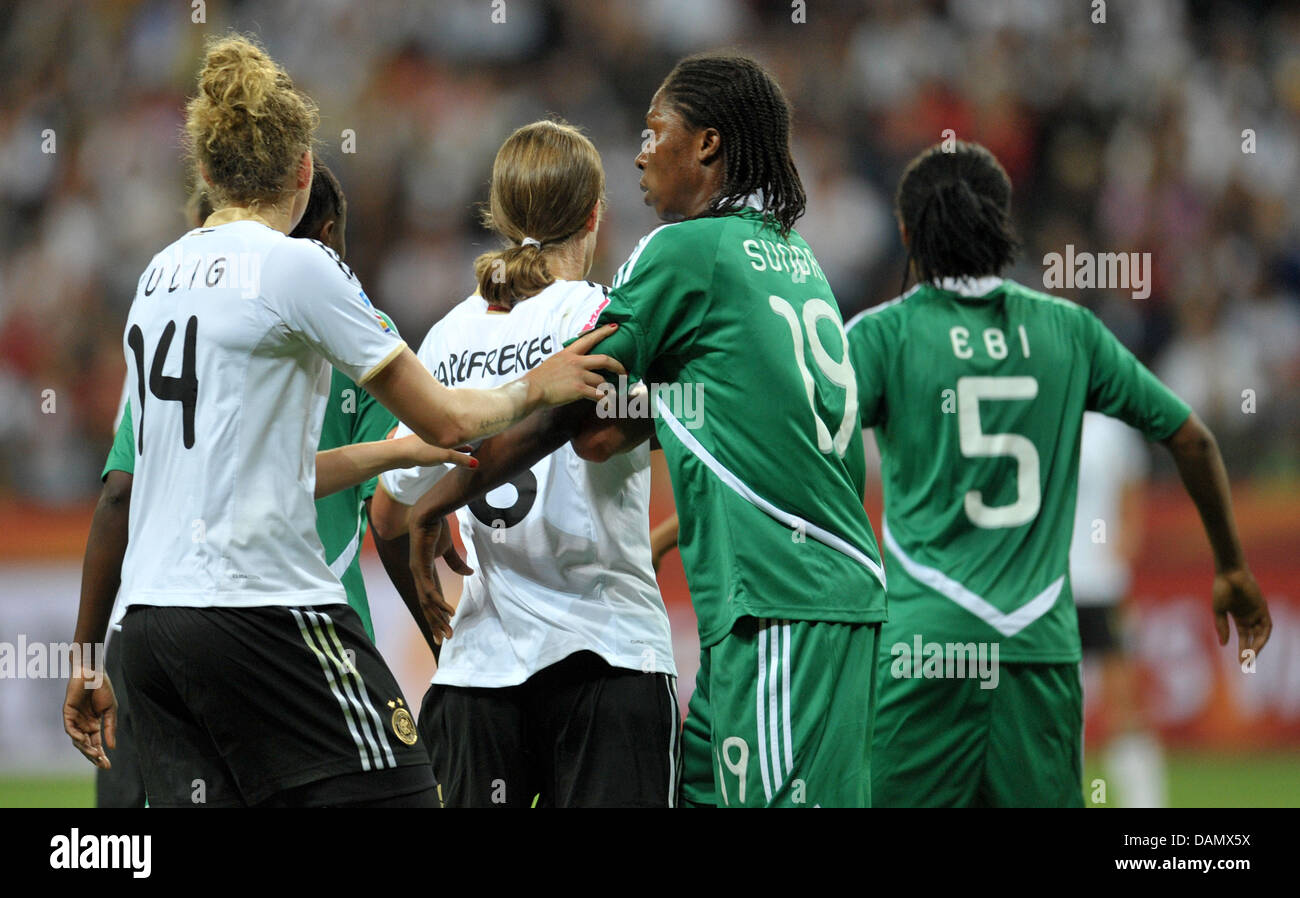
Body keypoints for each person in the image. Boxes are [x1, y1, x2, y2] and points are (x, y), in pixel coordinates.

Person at [62, 33, 621, 808]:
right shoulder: (296, 265)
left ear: (207, 171)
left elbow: (202, 478)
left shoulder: (159, 275)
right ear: (301, 172)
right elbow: (454, 415)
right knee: (406, 797)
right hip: (259, 608)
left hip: (152, 630)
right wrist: (538, 384)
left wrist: (86, 660)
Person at [404, 53, 888, 808]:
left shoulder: (683, 250)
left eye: (653, 131)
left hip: (783, 602)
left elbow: (581, 410)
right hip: (778, 596)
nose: (638, 152)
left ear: (706, 145)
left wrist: (441, 498)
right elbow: (628, 431)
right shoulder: (794, 257)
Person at [845, 139, 1272, 807]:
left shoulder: (879, 336)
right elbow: (1191, 439)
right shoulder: (1070, 331)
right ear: (1002, 221)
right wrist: (1233, 568)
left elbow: (796, 439)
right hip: (1037, 644)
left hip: (925, 645)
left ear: (906, 233)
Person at [92, 163, 446, 806]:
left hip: (155, 625)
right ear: (328, 234)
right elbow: (393, 513)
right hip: (298, 620)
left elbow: (119, 493)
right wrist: (441, 631)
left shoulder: (163, 300)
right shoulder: (358, 336)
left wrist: (89, 655)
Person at [369, 119, 678, 808]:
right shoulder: (602, 315)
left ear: (501, 216)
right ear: (596, 213)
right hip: (607, 655)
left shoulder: (450, 334)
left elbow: (388, 512)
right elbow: (621, 428)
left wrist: (438, 626)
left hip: (480, 674)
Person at [1071, 411, 1166, 807]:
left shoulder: (1113, 431)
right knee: (1054, 706)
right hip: (1048, 586)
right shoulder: (1037, 410)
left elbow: (1133, 494)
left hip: (1102, 583)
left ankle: (1144, 803)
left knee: (1124, 699)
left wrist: (1123, 548)